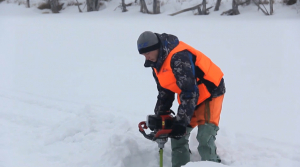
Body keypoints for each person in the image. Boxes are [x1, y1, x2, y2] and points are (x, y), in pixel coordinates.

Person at [137, 31, 226, 167]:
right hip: (189, 96)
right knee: (177, 137)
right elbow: (164, 91)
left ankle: (212, 163)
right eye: (144, 54)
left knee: (204, 138)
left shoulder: (178, 57)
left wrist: (181, 123)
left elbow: (189, 91)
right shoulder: (156, 63)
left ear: (158, 47)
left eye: (149, 52)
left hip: (209, 93)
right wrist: (160, 116)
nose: (147, 57)